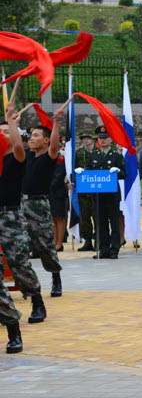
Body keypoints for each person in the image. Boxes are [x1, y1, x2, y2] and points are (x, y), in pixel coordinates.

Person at [1, 109, 48, 323]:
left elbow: (18, 146)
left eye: (6, 132)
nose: (3, 136)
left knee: (18, 261)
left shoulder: (17, 158)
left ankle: (37, 300)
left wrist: (11, 121)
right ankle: (6, 313)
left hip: (10, 217)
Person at [22, 112, 64, 296]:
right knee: (20, 245)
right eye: (31, 135)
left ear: (46, 141)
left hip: (39, 205)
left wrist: (56, 122)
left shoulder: (49, 157)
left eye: (37, 135)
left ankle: (56, 278)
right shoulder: (25, 156)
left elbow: (55, 144)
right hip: (19, 205)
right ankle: (26, 284)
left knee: (45, 246)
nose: (32, 138)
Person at [82, 126, 126, 259]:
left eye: (105, 138)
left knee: (114, 223)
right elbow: (89, 171)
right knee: (101, 224)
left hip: (112, 195)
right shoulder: (94, 155)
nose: (102, 140)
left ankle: (114, 249)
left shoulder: (116, 156)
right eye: (100, 138)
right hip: (98, 195)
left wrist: (117, 171)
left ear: (111, 139)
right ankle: (103, 249)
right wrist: (82, 173)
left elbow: (124, 174)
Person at [74, 131, 96, 251]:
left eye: (88, 138)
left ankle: (98, 239)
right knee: (84, 216)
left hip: (96, 189)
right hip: (83, 189)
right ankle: (87, 240)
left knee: (97, 215)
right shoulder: (78, 153)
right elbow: (73, 168)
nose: (86, 140)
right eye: (84, 138)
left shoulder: (97, 152)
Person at [50, 143, 69, 252]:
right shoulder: (47, 158)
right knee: (52, 218)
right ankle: (54, 241)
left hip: (58, 192)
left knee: (59, 218)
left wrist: (48, 185)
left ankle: (59, 243)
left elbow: (59, 175)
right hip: (48, 193)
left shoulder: (61, 159)